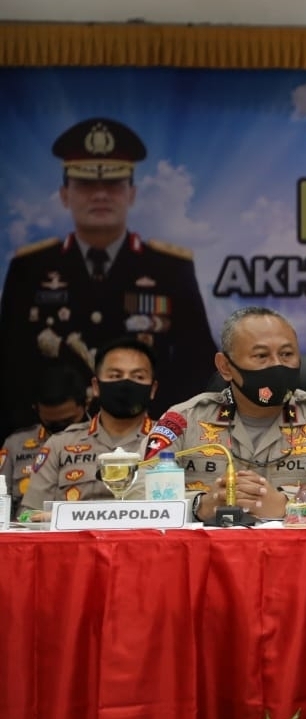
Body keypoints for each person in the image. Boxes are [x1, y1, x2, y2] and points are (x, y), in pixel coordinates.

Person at [0, 117, 218, 439]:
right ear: (64, 194)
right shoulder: (30, 268)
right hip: (50, 434)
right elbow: (10, 364)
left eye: (113, 185)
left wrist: (159, 427)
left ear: (132, 194)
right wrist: (35, 432)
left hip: (149, 435)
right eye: (86, 185)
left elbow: (198, 362)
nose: (100, 195)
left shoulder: (170, 269)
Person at [140, 307, 306, 524]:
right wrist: (198, 506)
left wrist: (289, 506)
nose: (277, 365)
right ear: (225, 367)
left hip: (297, 548)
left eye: (286, 354)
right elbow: (135, 492)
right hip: (208, 548)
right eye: (261, 356)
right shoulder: (184, 420)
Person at [21, 337, 158, 510]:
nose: (125, 383)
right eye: (115, 375)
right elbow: (29, 515)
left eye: (138, 376)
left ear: (153, 389)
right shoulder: (60, 445)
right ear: (96, 386)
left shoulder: (170, 441)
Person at [0, 362, 91, 518]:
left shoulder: (103, 439)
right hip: (28, 528)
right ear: (36, 410)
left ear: (86, 404)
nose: (62, 431)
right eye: (52, 424)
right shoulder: (15, 445)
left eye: (68, 422)